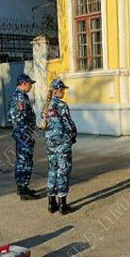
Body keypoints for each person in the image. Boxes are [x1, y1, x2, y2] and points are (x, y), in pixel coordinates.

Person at [40, 79, 77, 214]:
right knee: (63, 171)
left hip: (51, 144)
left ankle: (51, 203)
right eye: (63, 90)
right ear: (57, 90)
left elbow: (43, 124)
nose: (64, 92)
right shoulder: (61, 106)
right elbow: (69, 125)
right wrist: (73, 135)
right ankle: (63, 204)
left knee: (52, 170)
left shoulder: (45, 106)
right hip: (62, 143)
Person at [8, 73, 38, 200]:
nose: (31, 86)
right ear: (24, 83)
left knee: (24, 160)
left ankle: (23, 187)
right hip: (23, 135)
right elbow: (16, 118)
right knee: (24, 161)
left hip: (24, 134)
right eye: (30, 84)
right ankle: (23, 190)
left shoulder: (21, 96)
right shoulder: (19, 98)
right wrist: (26, 132)